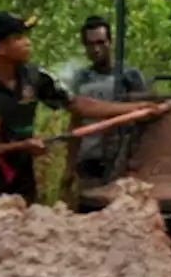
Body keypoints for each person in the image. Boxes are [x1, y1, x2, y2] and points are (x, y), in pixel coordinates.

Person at [0, 12, 157, 205]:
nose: (27, 42)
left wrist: (133, 108)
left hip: (20, 184)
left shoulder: (34, 77)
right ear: (0, 48)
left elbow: (76, 105)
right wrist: (19, 147)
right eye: (19, 38)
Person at [64, 15, 150, 200]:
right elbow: (75, 121)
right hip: (89, 160)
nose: (96, 49)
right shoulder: (82, 79)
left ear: (110, 42)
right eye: (90, 44)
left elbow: (144, 118)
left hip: (121, 160)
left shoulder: (129, 76)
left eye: (101, 42)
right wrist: (69, 166)